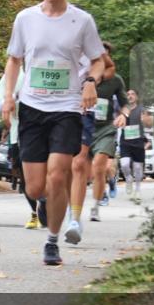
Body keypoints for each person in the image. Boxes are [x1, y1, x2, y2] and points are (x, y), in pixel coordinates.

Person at [2, 0, 105, 266]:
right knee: (35, 187)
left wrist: (89, 81)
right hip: (32, 107)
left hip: (66, 108)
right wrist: (8, 97)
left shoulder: (82, 21)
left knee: (59, 174)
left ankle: (52, 241)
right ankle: (51, 203)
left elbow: (98, 60)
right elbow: (13, 60)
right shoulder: (25, 18)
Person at [63, 49, 116, 244]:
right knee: (59, 167)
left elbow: (109, 66)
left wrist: (92, 82)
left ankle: (74, 220)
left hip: (83, 110)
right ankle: (58, 203)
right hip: (52, 108)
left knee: (78, 164)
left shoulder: (89, 40)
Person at [87, 42, 129, 223]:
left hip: (105, 128)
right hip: (83, 126)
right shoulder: (83, 75)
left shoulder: (116, 80)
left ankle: (95, 207)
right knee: (83, 171)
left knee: (99, 166)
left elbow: (125, 103)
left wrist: (124, 115)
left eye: (105, 56)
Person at [0, 68, 41, 229]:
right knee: (24, 176)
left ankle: (45, 205)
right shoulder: (9, 77)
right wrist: (13, 98)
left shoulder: (38, 72)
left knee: (44, 173)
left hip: (41, 131)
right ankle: (35, 213)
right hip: (18, 135)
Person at [119, 89, 146, 204]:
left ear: (137, 97)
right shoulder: (124, 109)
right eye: (128, 94)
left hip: (138, 141)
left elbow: (148, 122)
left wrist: (145, 120)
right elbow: (120, 121)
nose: (130, 96)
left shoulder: (141, 109)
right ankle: (128, 178)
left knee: (138, 168)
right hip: (125, 141)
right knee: (124, 164)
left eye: (132, 94)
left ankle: (138, 190)